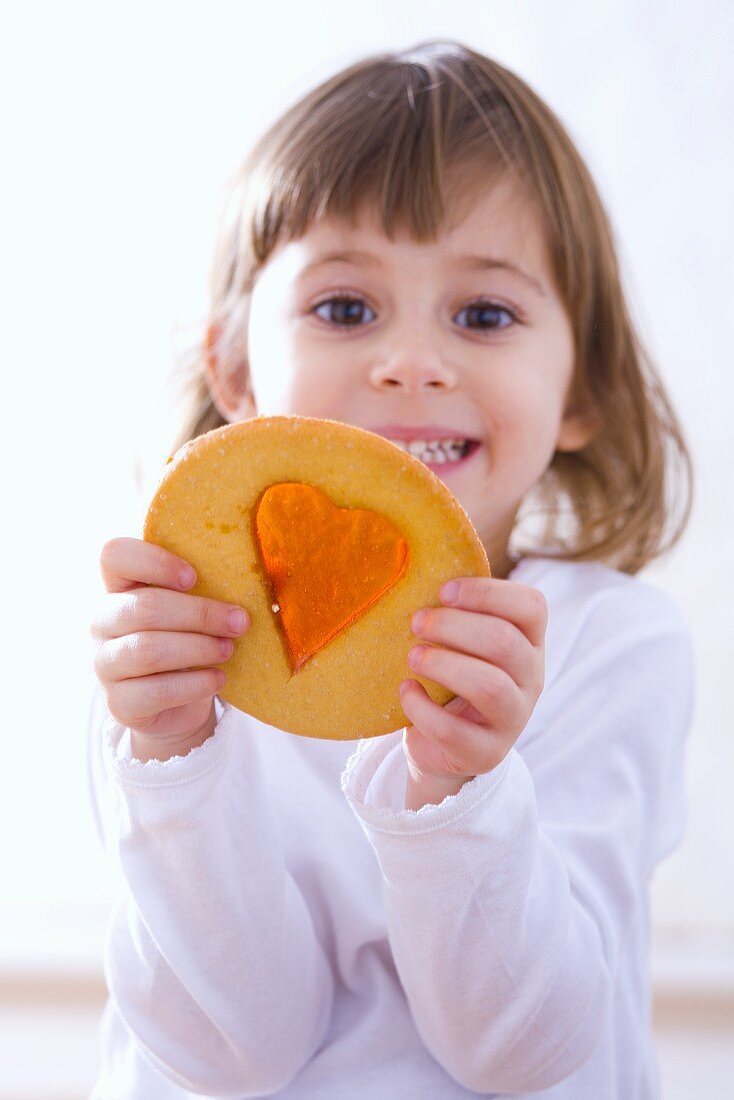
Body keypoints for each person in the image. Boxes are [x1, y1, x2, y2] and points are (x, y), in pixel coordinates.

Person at [87, 39, 695, 1099]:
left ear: (581, 389)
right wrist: (173, 761)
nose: (410, 358)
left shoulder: (611, 641)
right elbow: (233, 1055)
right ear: (233, 368)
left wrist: (456, 788)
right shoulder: (172, 650)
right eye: (344, 308)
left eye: (483, 314)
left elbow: (528, 1053)